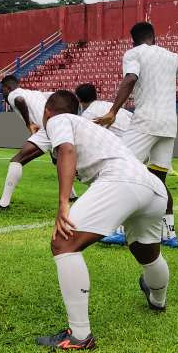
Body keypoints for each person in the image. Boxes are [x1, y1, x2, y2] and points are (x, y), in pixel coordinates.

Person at [35, 91, 170, 351]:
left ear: (47, 112)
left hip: (120, 180)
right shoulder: (91, 127)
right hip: (153, 188)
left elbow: (66, 149)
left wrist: (64, 202)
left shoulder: (56, 119)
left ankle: (79, 336)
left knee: (63, 243)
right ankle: (157, 300)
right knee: (147, 252)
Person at [95, 22, 178, 248]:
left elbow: (130, 78)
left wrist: (113, 112)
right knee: (158, 181)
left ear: (132, 40)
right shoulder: (171, 56)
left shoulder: (134, 53)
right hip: (168, 126)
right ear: (154, 37)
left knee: (121, 169)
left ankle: (118, 230)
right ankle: (169, 234)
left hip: (145, 122)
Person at [75, 83, 133, 245]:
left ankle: (119, 230)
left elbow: (86, 143)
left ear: (78, 99)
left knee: (114, 186)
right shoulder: (110, 105)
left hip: (129, 150)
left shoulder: (88, 115)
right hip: (142, 142)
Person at [0, 76, 52, 211]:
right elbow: (54, 95)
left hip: (45, 130)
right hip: (57, 127)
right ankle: (72, 196)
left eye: (2, 90)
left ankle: (3, 204)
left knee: (16, 160)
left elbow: (19, 100)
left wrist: (29, 124)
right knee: (58, 160)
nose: (2, 93)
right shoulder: (35, 93)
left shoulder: (13, 94)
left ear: (8, 87)